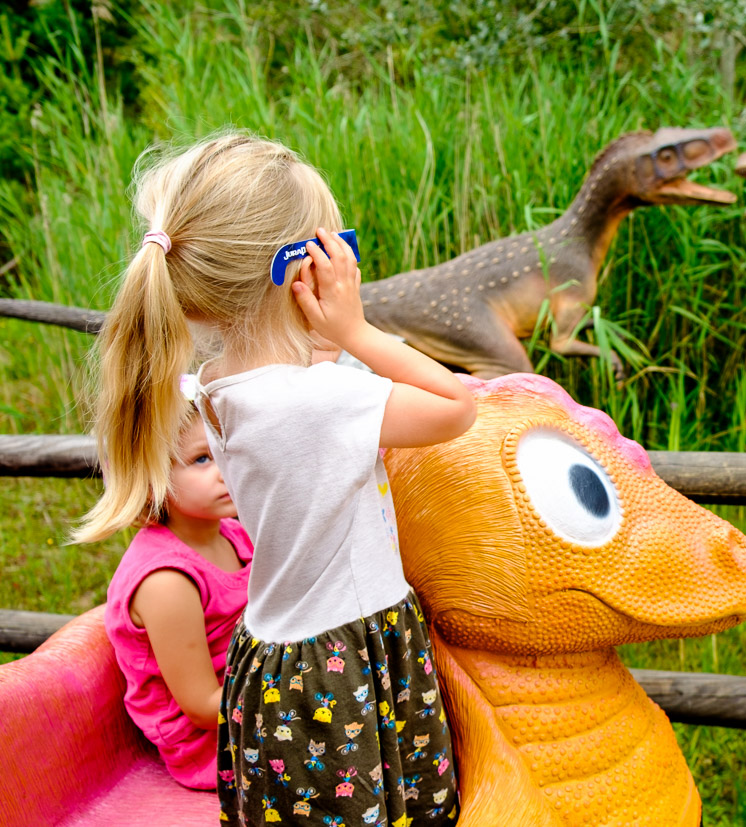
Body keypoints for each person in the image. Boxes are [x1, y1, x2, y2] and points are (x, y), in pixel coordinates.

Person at [75, 133, 476, 825]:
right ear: (298, 270)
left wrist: (322, 342)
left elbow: (299, 395)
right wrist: (356, 330)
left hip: (278, 666)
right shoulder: (319, 401)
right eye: (334, 250)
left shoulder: (217, 389)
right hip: (344, 660)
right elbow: (456, 407)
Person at [103, 406, 252, 790]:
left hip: (254, 698)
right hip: (217, 743)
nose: (225, 468)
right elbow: (203, 708)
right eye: (202, 458)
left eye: (227, 450)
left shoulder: (235, 535)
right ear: (150, 479)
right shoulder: (167, 580)